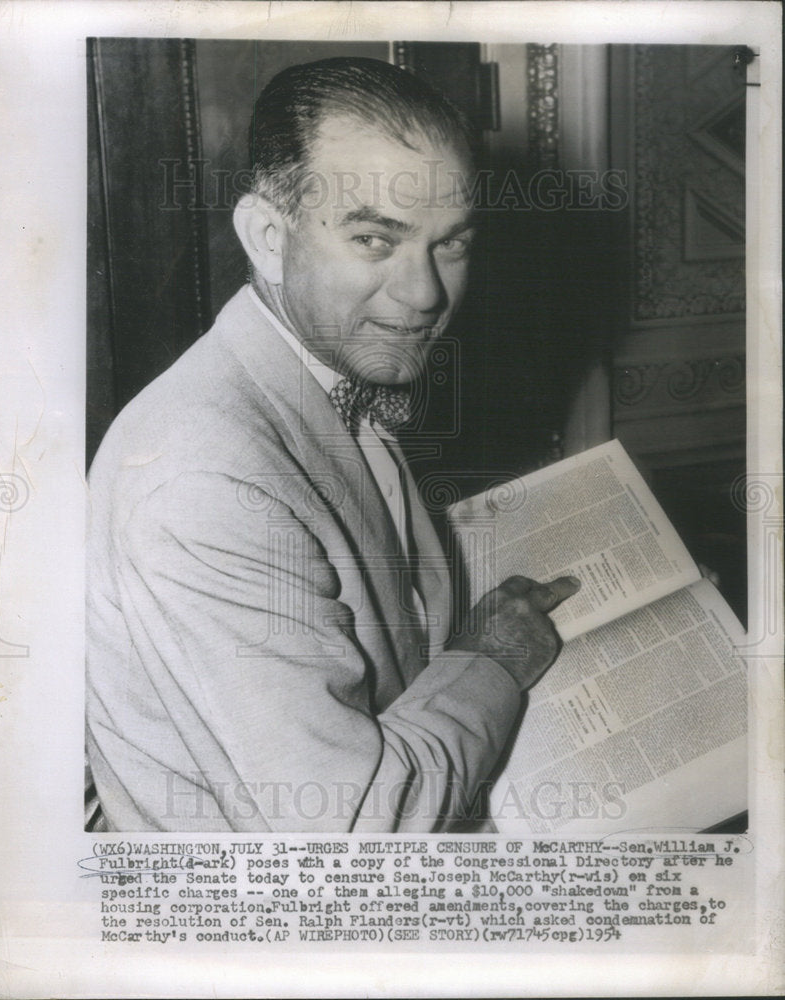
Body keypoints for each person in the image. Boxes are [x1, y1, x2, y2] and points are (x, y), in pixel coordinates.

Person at [85, 56, 579, 833]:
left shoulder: (326, 367)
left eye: (449, 244)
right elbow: (354, 834)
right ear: (268, 236)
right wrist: (494, 663)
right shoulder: (204, 478)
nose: (424, 295)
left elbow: (389, 626)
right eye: (375, 241)